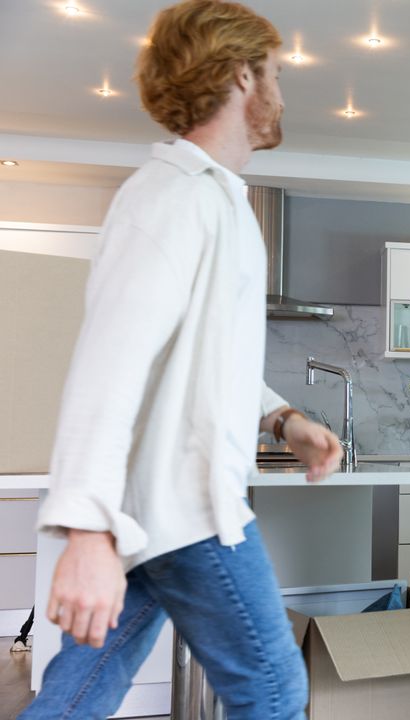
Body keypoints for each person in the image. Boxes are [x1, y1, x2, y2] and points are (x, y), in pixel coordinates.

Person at [20, 2, 343, 718]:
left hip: (158, 513)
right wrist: (87, 531)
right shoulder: (170, 199)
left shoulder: (217, 200)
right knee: (274, 690)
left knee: (77, 696)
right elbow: (109, 364)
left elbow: (200, 360)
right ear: (240, 77)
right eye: (277, 74)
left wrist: (284, 418)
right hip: (187, 510)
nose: (284, 92)